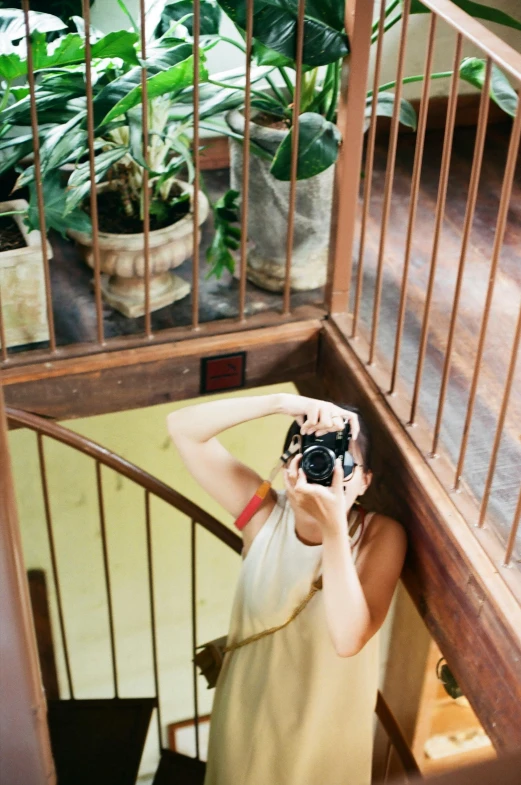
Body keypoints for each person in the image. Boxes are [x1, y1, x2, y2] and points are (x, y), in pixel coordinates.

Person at [167, 392, 407, 785]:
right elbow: (182, 429)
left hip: (325, 737)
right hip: (247, 718)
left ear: (364, 481)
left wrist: (332, 528)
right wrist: (281, 403)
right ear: (289, 465)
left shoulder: (379, 535)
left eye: (339, 458)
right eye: (312, 452)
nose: (322, 469)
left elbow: (348, 638)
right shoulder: (262, 513)